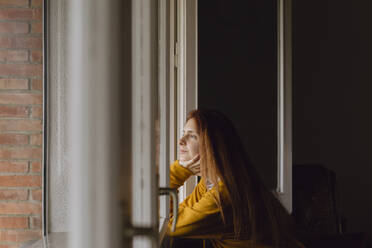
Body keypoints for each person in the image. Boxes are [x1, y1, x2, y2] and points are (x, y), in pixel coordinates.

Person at [166, 109, 305, 248]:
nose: (180, 141)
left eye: (192, 136)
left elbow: (172, 226)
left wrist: (179, 171)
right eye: (183, 134)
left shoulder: (225, 193)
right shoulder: (212, 182)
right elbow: (174, 215)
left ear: (211, 144)